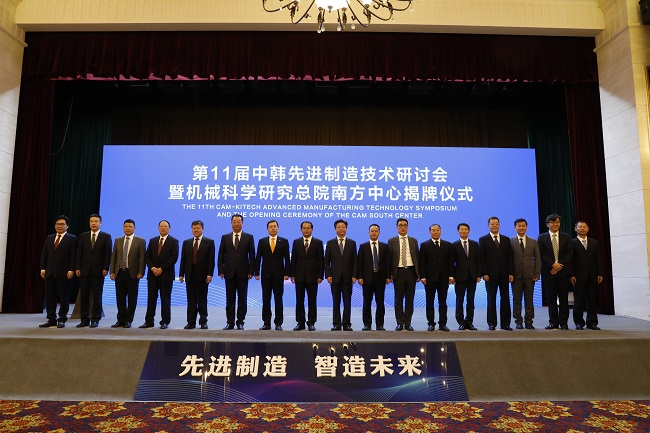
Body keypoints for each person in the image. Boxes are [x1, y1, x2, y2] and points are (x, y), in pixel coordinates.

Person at [39, 215, 78, 328]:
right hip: (50, 273)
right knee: (50, 298)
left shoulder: (72, 238)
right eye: (57, 224)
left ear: (67, 226)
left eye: (62, 224)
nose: (59, 226)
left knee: (64, 298)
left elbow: (73, 256)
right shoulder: (49, 238)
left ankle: (62, 319)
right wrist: (43, 268)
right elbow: (44, 254)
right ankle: (51, 319)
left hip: (64, 273)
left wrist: (71, 269)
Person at [218, 213, 255, 330]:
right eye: (234, 222)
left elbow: (252, 256)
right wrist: (221, 270)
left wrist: (251, 271)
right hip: (228, 272)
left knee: (242, 299)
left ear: (242, 223)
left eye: (239, 222)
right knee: (230, 299)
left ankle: (240, 322)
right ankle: (230, 322)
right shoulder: (225, 237)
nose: (236, 224)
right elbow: (221, 255)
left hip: (243, 273)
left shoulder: (249, 237)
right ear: (231, 223)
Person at [74, 214, 112, 328]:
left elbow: (108, 254)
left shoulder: (106, 236)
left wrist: (105, 268)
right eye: (91, 221)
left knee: (97, 296)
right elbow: (79, 253)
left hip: (99, 271)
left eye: (96, 221)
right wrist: (77, 267)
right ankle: (84, 319)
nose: (93, 223)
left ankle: (95, 319)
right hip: (84, 271)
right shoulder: (83, 236)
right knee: (84, 296)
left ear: (100, 223)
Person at [537, 213, 573, 330]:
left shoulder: (566, 236)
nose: (555, 224)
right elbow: (541, 254)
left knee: (563, 299)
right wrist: (553, 265)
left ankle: (563, 323)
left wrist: (558, 265)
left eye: (557, 222)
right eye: (552, 222)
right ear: (547, 224)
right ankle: (553, 322)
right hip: (548, 272)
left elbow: (569, 253)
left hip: (563, 272)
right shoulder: (541, 237)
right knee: (551, 299)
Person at [141, 220, 179, 329]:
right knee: (151, 298)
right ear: (158, 228)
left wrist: (161, 268)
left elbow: (174, 258)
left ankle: (165, 321)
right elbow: (147, 256)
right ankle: (149, 321)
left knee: (165, 298)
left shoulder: (174, 241)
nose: (163, 228)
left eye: (165, 226)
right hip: (152, 275)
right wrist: (153, 268)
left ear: (169, 228)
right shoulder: (153, 240)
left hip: (166, 275)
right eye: (161, 226)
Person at [254, 219, 291, 331]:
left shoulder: (284, 241)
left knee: (278, 299)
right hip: (265, 275)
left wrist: (287, 273)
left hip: (279, 275)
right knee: (266, 300)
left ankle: (278, 323)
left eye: (275, 226)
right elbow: (258, 257)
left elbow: (287, 259)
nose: (273, 228)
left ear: (278, 228)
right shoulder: (262, 241)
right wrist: (256, 272)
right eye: (270, 227)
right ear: (267, 229)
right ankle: (266, 323)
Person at [479, 216, 514, 331]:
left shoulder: (506, 239)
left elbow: (510, 257)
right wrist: (484, 273)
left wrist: (511, 273)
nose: (495, 225)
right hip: (490, 276)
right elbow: (482, 258)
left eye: (496, 224)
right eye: (492, 224)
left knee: (505, 299)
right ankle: (491, 323)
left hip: (504, 275)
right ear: (488, 225)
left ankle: (505, 324)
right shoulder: (483, 239)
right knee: (491, 299)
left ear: (499, 225)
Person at [109, 219, 146, 328]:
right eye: (126, 226)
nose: (128, 228)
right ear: (123, 228)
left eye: (130, 227)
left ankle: (128, 320)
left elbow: (142, 259)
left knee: (132, 298)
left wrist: (141, 272)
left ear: (134, 228)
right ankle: (120, 320)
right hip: (119, 273)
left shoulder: (140, 241)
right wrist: (112, 271)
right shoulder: (118, 240)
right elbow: (113, 257)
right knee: (120, 298)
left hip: (133, 274)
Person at [179, 220, 215, 330]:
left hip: (203, 275)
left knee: (202, 299)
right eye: (194, 228)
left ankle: (203, 321)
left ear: (202, 229)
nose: (196, 230)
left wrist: (209, 274)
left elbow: (211, 260)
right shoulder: (186, 242)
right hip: (190, 274)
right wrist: (181, 274)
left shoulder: (209, 242)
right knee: (191, 300)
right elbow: (183, 259)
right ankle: (191, 322)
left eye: (198, 228)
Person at [419, 224, 453, 332]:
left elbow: (450, 262)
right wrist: (423, 276)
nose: (436, 232)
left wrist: (451, 275)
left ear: (441, 231)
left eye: (438, 230)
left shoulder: (447, 245)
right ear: (430, 232)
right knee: (429, 302)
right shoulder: (424, 245)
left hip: (443, 278)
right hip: (429, 279)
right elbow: (422, 262)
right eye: (433, 230)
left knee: (443, 302)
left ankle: (442, 324)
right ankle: (431, 323)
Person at [325, 219, 358, 331]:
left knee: (347, 301)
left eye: (343, 227)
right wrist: (328, 275)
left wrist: (354, 275)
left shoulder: (352, 243)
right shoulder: (330, 243)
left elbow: (355, 261)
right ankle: (336, 324)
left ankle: (347, 323)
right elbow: (326, 261)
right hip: (334, 277)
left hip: (348, 277)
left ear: (346, 229)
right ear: (335, 229)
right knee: (336, 301)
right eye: (339, 227)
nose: (341, 229)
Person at [291, 221, 324, 331]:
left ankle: (311, 322)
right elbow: (293, 259)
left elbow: (321, 260)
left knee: (312, 301)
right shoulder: (296, 242)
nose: (306, 230)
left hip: (313, 277)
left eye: (308, 228)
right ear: (301, 230)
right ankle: (300, 322)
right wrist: (292, 274)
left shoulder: (318, 243)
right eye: (304, 228)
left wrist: (320, 275)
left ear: (312, 229)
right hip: (299, 276)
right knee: (299, 300)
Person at [357, 224, 391, 331]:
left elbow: (387, 263)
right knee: (367, 302)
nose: (374, 233)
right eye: (372, 231)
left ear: (379, 233)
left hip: (380, 278)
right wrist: (360, 277)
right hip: (367, 278)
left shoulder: (384, 246)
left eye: (376, 231)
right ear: (368, 233)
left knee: (380, 302)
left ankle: (380, 325)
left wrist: (388, 276)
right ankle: (367, 324)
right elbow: (359, 263)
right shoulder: (363, 246)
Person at [570, 220, 603, 330]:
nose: (582, 228)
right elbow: (570, 261)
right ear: (575, 229)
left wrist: (599, 273)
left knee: (592, 301)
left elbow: (598, 259)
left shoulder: (594, 242)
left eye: (585, 227)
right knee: (578, 301)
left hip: (592, 276)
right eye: (580, 227)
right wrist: (571, 275)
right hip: (577, 277)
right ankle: (579, 323)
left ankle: (592, 322)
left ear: (588, 229)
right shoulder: (572, 243)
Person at [388, 218, 419, 331]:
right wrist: (390, 274)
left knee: (410, 299)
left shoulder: (413, 241)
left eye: (405, 225)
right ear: (396, 227)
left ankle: (408, 323)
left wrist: (418, 274)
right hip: (398, 272)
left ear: (408, 227)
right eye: (400, 225)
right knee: (398, 299)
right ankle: (400, 323)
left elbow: (417, 257)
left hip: (411, 272)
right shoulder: (392, 241)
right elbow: (389, 259)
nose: (403, 227)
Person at [510, 218, 541, 330]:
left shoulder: (533, 241)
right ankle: (518, 321)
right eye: (519, 226)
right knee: (516, 300)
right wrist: (510, 273)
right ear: (515, 228)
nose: (521, 228)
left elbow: (538, 258)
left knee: (529, 299)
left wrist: (537, 273)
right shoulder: (510, 241)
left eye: (523, 226)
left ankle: (529, 321)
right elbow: (508, 259)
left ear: (526, 227)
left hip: (530, 275)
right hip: (516, 275)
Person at [450, 223, 481, 330]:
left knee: (471, 300)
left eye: (465, 229)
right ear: (458, 231)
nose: (463, 231)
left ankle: (469, 321)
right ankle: (461, 322)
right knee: (460, 300)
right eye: (461, 229)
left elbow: (478, 260)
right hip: (459, 277)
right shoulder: (454, 245)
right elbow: (451, 262)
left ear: (469, 231)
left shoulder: (474, 244)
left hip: (472, 276)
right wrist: (451, 276)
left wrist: (478, 275)